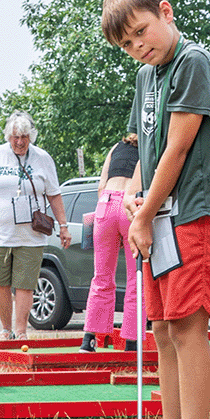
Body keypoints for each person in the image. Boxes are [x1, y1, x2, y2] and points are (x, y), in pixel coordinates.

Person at [100, 0, 210, 419]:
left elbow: (177, 151)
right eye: (128, 44)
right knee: (161, 329)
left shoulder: (191, 63)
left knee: (187, 328)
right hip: (161, 216)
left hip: (195, 213)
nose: (139, 46)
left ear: (165, 11)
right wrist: (135, 194)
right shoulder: (146, 77)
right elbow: (146, 153)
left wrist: (142, 212)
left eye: (142, 32)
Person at [0, 113, 70, 340]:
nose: (20, 142)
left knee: (25, 284)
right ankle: (6, 330)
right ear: (8, 137)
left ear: (31, 136)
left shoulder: (43, 158)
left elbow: (54, 194)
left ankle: (21, 331)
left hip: (31, 235)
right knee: (0, 283)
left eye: (24, 137)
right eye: (15, 137)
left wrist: (63, 226)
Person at [81, 131, 143, 353]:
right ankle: (132, 344)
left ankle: (89, 339)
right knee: (135, 280)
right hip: (130, 205)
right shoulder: (149, 148)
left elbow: (101, 186)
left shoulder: (115, 148)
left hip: (106, 203)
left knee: (102, 276)